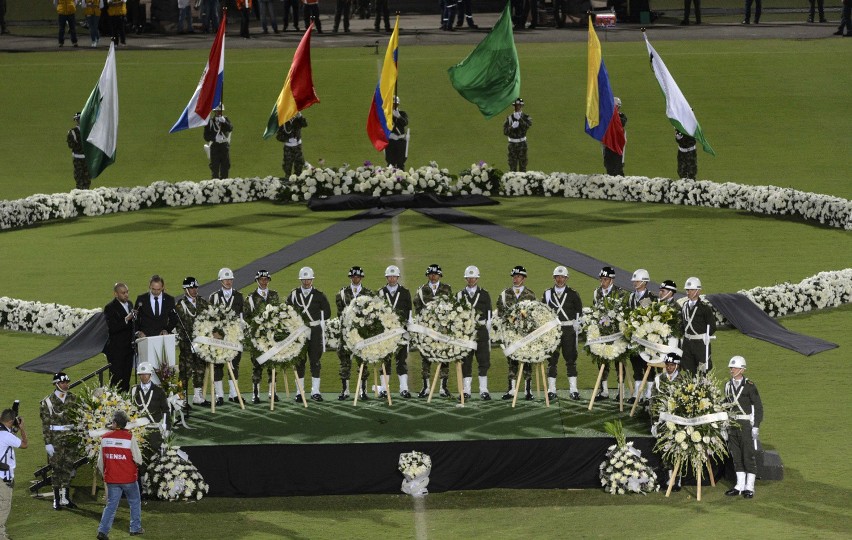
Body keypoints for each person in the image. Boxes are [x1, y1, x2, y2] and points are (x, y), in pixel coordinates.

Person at [286, 267, 332, 401]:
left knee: (315, 361)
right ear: (301, 280)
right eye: (304, 279)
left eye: (309, 279)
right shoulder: (294, 295)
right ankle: (299, 392)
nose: (306, 282)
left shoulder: (319, 295)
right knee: (299, 361)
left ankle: (315, 391)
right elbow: (286, 311)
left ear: (312, 279)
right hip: (299, 332)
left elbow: (327, 313)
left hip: (315, 331)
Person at [96, 410, 143, 539]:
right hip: (128, 478)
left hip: (112, 479)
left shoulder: (105, 438)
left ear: (115, 423)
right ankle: (135, 528)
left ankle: (102, 531)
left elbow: (100, 462)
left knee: (111, 505)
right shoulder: (129, 437)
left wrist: (106, 473)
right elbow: (138, 459)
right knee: (134, 502)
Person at [724, 355, 763, 499]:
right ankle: (739, 485)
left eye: (734, 367)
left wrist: (756, 426)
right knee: (736, 455)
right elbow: (726, 406)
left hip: (746, 425)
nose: (731, 370)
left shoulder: (749, 386)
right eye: (731, 367)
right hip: (732, 425)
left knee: (748, 456)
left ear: (742, 369)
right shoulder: (727, 386)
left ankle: (749, 487)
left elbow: (758, 407)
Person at [542, 265, 583, 400]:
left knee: (570, 359)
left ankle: (573, 389)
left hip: (568, 330)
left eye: (562, 277)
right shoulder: (547, 293)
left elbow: (579, 312)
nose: (560, 279)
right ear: (554, 278)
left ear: (566, 278)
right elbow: (543, 312)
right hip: (553, 330)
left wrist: (576, 325)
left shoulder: (573, 293)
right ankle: (551, 389)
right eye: (557, 277)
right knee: (552, 360)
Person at [497, 265, 537, 400]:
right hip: (510, 333)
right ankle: (512, 390)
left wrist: (523, 319)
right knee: (512, 361)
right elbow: (501, 312)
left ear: (524, 278)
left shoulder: (530, 294)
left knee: (526, 360)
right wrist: (513, 319)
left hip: (525, 334)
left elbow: (534, 313)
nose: (515, 278)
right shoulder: (504, 294)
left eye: (518, 276)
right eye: (514, 276)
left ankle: (528, 390)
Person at [412, 264, 452, 398]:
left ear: (440, 275)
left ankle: (443, 387)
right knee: (425, 357)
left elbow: (451, 307)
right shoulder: (422, 290)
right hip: (426, 330)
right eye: (431, 274)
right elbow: (417, 307)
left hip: (442, 329)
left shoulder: (447, 288)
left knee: (444, 357)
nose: (433, 276)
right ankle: (426, 387)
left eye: (435, 274)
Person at [39, 372, 78, 510]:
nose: (66, 385)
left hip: (70, 437)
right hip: (55, 439)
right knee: (56, 469)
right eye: (62, 383)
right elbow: (45, 424)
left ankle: (65, 497)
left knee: (68, 467)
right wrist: (47, 443)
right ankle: (56, 498)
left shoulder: (73, 398)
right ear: (56, 384)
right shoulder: (47, 401)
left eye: (67, 382)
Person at [130, 361, 169, 494]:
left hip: (155, 430)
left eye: (146, 374)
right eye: (141, 374)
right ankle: (143, 488)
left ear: (150, 375)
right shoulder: (134, 390)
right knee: (141, 459)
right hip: (140, 431)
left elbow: (166, 411)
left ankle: (156, 486)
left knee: (155, 457)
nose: (144, 377)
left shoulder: (158, 391)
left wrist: (167, 429)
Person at [208, 267, 244, 405]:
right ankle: (220, 395)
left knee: (234, 365)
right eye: (225, 279)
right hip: (219, 337)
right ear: (220, 281)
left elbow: (242, 317)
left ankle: (234, 394)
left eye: (230, 279)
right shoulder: (214, 297)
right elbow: (209, 318)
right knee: (218, 365)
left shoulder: (239, 296)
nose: (228, 281)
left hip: (234, 337)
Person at [244, 270, 282, 404]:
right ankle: (256, 393)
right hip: (257, 337)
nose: (264, 282)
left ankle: (273, 392)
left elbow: (279, 314)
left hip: (271, 336)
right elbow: (246, 317)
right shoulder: (250, 298)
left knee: (272, 365)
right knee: (257, 365)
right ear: (257, 281)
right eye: (262, 279)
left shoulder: (274, 295)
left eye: (266, 279)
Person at [336, 266, 372, 400]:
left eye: (358, 277)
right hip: (346, 333)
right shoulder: (341, 294)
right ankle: (345, 390)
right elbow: (340, 313)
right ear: (350, 277)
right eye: (353, 277)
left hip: (362, 333)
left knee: (363, 361)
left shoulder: (368, 293)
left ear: (361, 278)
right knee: (345, 362)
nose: (355, 279)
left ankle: (363, 390)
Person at [456, 266, 492, 400]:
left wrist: (488, 335)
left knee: (484, 361)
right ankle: (466, 391)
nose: (471, 280)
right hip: (466, 333)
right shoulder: (459, 295)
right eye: (469, 278)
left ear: (477, 278)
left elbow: (489, 316)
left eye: (473, 277)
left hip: (481, 332)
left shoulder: (484, 294)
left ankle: (484, 390)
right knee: (466, 361)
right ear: (465, 278)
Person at [376, 265, 413, 398]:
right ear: (386, 277)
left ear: (398, 277)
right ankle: (384, 388)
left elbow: (409, 311)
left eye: (394, 276)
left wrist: (408, 329)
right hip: (386, 332)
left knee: (401, 360)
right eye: (389, 276)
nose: (392, 279)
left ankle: (404, 388)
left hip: (401, 331)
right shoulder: (380, 292)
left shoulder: (405, 292)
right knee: (385, 360)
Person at [592, 266, 626, 400]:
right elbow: (595, 310)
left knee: (620, 362)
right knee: (602, 360)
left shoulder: (620, 293)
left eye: (606, 279)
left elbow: (623, 312)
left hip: (617, 333)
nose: (603, 282)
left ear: (612, 280)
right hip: (602, 332)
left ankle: (621, 391)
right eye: (601, 279)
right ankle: (604, 390)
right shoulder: (597, 292)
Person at [176, 277, 209, 406]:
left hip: (201, 343)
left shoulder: (202, 302)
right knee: (185, 372)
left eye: (195, 288)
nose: (194, 290)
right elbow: (178, 325)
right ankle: (180, 398)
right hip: (186, 344)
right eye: (191, 288)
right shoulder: (180, 305)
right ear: (185, 289)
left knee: (200, 369)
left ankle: (197, 396)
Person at [652, 351, 683, 491]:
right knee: (665, 449)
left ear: (677, 365)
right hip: (663, 420)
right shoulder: (659, 379)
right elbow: (653, 402)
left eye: (672, 365)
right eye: (667, 365)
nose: (669, 367)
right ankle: (668, 477)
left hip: (679, 421)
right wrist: (653, 421)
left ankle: (678, 478)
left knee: (678, 449)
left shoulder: (683, 380)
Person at [627, 269, 657, 404]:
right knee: (636, 364)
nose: (635, 283)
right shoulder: (631, 297)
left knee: (648, 365)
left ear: (644, 282)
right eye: (634, 281)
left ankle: (649, 394)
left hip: (646, 338)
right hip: (634, 337)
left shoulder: (651, 297)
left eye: (637, 281)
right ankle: (637, 395)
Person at [0, 408, 28, 540]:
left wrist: (14, 428)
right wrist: (22, 428)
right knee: (4, 505)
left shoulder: (5, 432)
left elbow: (9, 433)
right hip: (3, 476)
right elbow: (24, 445)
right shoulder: (6, 436)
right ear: (11, 421)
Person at [679, 276, 716, 374]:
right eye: (687, 290)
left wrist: (705, 336)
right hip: (687, 343)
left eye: (691, 289)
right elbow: (682, 323)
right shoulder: (684, 306)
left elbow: (712, 326)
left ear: (698, 291)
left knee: (702, 371)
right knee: (688, 371)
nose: (688, 292)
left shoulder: (705, 308)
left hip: (700, 344)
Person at [103, 282, 135, 393]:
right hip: (116, 350)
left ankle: (125, 403)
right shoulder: (110, 308)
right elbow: (112, 328)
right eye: (123, 293)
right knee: (116, 378)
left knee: (126, 377)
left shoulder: (130, 304)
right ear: (116, 294)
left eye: (127, 292)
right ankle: (114, 403)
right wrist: (127, 319)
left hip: (128, 349)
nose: (126, 295)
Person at [134, 274, 178, 340]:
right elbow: (135, 318)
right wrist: (138, 332)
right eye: (153, 289)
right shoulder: (141, 299)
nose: (156, 292)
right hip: (145, 337)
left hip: (162, 337)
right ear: (149, 286)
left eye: (158, 289)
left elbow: (174, 319)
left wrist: (167, 330)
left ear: (163, 287)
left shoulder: (169, 299)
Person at [204, 103, 233, 179]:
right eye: (217, 111)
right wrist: (214, 138)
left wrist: (224, 122)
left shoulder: (225, 119)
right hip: (215, 146)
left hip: (224, 145)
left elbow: (230, 128)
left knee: (226, 166)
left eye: (220, 111)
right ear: (214, 112)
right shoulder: (210, 122)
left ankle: (225, 183)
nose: (219, 113)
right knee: (215, 167)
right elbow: (206, 136)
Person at [503, 98, 532, 173]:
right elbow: (505, 132)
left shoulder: (525, 117)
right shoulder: (509, 118)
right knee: (512, 167)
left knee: (523, 167)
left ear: (522, 106)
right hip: (512, 144)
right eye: (516, 105)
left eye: (519, 105)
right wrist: (512, 127)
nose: (517, 107)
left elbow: (527, 126)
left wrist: (520, 119)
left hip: (522, 144)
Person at [276, 112, 308, 178]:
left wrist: (300, 116)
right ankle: (287, 179)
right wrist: (286, 139)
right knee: (287, 165)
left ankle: (298, 180)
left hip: (297, 146)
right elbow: (279, 136)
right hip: (288, 147)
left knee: (299, 164)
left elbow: (305, 124)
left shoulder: (298, 119)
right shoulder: (284, 122)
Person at [604, 97, 626, 176]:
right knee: (609, 168)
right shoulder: (607, 117)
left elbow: (622, 122)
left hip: (617, 147)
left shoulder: (621, 117)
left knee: (617, 170)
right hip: (609, 145)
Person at [67, 113, 90, 190]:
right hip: (79, 158)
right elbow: (71, 145)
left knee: (87, 180)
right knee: (79, 178)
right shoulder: (73, 132)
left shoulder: (89, 131)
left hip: (87, 158)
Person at [386, 97, 409, 169]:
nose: (394, 106)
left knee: (400, 162)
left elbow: (405, 123)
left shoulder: (402, 113)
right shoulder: (387, 114)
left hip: (401, 140)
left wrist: (399, 116)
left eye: (396, 104)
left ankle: (401, 178)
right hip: (391, 140)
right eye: (393, 104)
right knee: (390, 162)